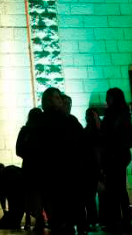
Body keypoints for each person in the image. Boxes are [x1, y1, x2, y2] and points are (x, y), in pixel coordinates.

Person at [32, 87, 83, 235]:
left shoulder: (69, 121)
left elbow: (80, 145)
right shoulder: (41, 122)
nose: (54, 101)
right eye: (50, 98)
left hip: (67, 173)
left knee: (65, 214)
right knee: (57, 214)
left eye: (56, 98)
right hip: (52, 174)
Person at [99, 88, 132, 234]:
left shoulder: (118, 115)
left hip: (115, 156)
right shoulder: (119, 114)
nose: (106, 100)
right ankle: (121, 220)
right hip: (115, 156)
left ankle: (119, 220)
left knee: (116, 190)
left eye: (108, 97)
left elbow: (122, 138)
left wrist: (111, 148)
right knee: (117, 190)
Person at [15, 108, 44, 232]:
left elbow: (18, 150)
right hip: (41, 166)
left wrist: (27, 154)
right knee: (40, 193)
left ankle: (29, 219)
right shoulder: (43, 131)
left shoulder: (25, 131)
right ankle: (39, 218)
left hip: (28, 166)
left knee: (28, 193)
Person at [79, 109, 102, 233]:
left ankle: (93, 219)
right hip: (90, 165)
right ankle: (93, 219)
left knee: (90, 195)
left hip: (91, 166)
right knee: (90, 195)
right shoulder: (92, 130)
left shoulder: (91, 131)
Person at [0, 164, 24, 229]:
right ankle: (16, 223)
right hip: (21, 186)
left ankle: (15, 224)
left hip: (18, 188)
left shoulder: (1, 179)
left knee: (16, 208)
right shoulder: (9, 171)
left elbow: (2, 196)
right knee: (19, 207)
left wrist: (4, 210)